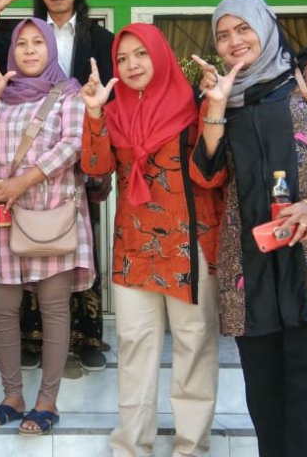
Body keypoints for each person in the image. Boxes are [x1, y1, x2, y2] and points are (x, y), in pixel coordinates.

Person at [190, 0, 307, 457]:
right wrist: (216, 106)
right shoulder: (221, 93)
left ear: (266, 26)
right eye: (223, 35)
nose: (234, 41)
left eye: (243, 28)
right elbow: (206, 175)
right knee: (264, 394)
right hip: (251, 260)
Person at [79, 23, 221, 457]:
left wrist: (214, 108)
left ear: (159, 55)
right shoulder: (115, 110)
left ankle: (190, 448)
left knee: (193, 346)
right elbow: (96, 168)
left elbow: (211, 173)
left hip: (189, 244)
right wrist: (95, 114)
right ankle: (132, 446)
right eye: (122, 58)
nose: (132, 64)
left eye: (141, 54)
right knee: (134, 347)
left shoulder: (193, 105)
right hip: (133, 248)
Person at [0, 0, 114, 371]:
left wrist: (104, 155)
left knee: (71, 243)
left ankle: (87, 338)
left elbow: (111, 100)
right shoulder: (18, 35)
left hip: (78, 164)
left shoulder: (102, 40)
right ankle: (31, 341)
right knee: (22, 253)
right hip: (22, 174)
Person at [0, 18, 94, 435]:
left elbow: (73, 146)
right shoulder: (3, 98)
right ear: (12, 53)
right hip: (5, 217)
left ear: (51, 49)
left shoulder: (68, 93)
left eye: (39, 42)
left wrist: (22, 182)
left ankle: (47, 402)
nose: (30, 50)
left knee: (54, 308)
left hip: (50, 213)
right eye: (22, 44)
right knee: (2, 307)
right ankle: (13, 397)